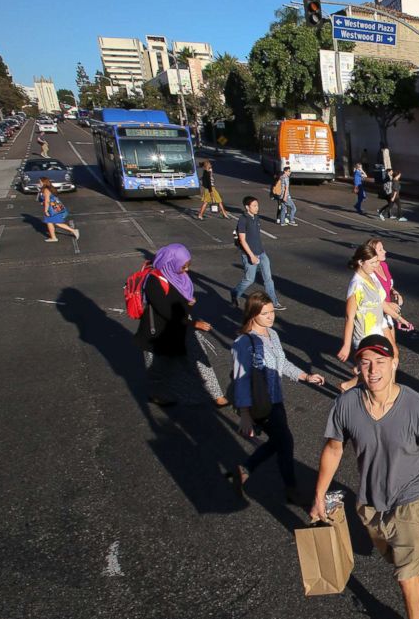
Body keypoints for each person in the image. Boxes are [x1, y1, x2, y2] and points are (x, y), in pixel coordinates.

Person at [311, 334, 419, 619]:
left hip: (413, 500)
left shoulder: (414, 407)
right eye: (366, 363)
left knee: (405, 575)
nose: (373, 370)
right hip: (371, 502)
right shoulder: (346, 405)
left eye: (380, 362)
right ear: (357, 368)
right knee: (393, 557)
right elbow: (334, 450)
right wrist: (318, 496)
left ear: (394, 364)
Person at [230, 291, 325, 502]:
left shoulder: (272, 334)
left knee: (278, 441)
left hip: (276, 399)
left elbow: (282, 364)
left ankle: (244, 470)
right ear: (253, 314)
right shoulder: (244, 342)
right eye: (265, 314)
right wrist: (244, 414)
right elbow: (241, 380)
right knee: (285, 441)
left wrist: (306, 377)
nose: (271, 317)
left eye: (272, 312)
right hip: (259, 403)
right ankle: (291, 489)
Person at [133, 243, 228, 408]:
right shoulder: (153, 281)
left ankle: (217, 395)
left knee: (200, 357)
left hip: (182, 327)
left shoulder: (178, 276)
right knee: (159, 368)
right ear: (170, 263)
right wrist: (193, 322)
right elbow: (166, 311)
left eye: (187, 266)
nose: (186, 271)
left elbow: (180, 301)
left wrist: (188, 304)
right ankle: (156, 394)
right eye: (183, 267)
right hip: (160, 333)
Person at [336, 244, 412, 392]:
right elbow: (349, 317)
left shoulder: (372, 277)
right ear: (360, 262)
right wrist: (346, 345)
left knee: (393, 355)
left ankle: (386, 389)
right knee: (376, 367)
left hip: (380, 325)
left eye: (377, 262)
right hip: (365, 333)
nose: (376, 265)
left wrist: (399, 318)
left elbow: (380, 302)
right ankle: (378, 394)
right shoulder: (356, 285)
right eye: (372, 263)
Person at [230, 196, 284, 311]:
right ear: (247, 207)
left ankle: (274, 302)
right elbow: (242, 240)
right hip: (250, 255)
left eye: (257, 205)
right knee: (249, 279)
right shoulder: (243, 219)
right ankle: (235, 293)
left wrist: (259, 253)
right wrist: (251, 256)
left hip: (262, 253)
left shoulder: (256, 217)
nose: (257, 208)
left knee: (268, 279)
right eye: (254, 206)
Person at [37, 178, 78, 243]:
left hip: (51, 209)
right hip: (55, 208)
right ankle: (54, 237)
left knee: (53, 222)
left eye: (40, 182)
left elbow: (47, 201)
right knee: (52, 222)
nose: (38, 183)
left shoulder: (46, 190)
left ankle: (72, 231)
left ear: (44, 183)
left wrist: (46, 211)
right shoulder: (48, 189)